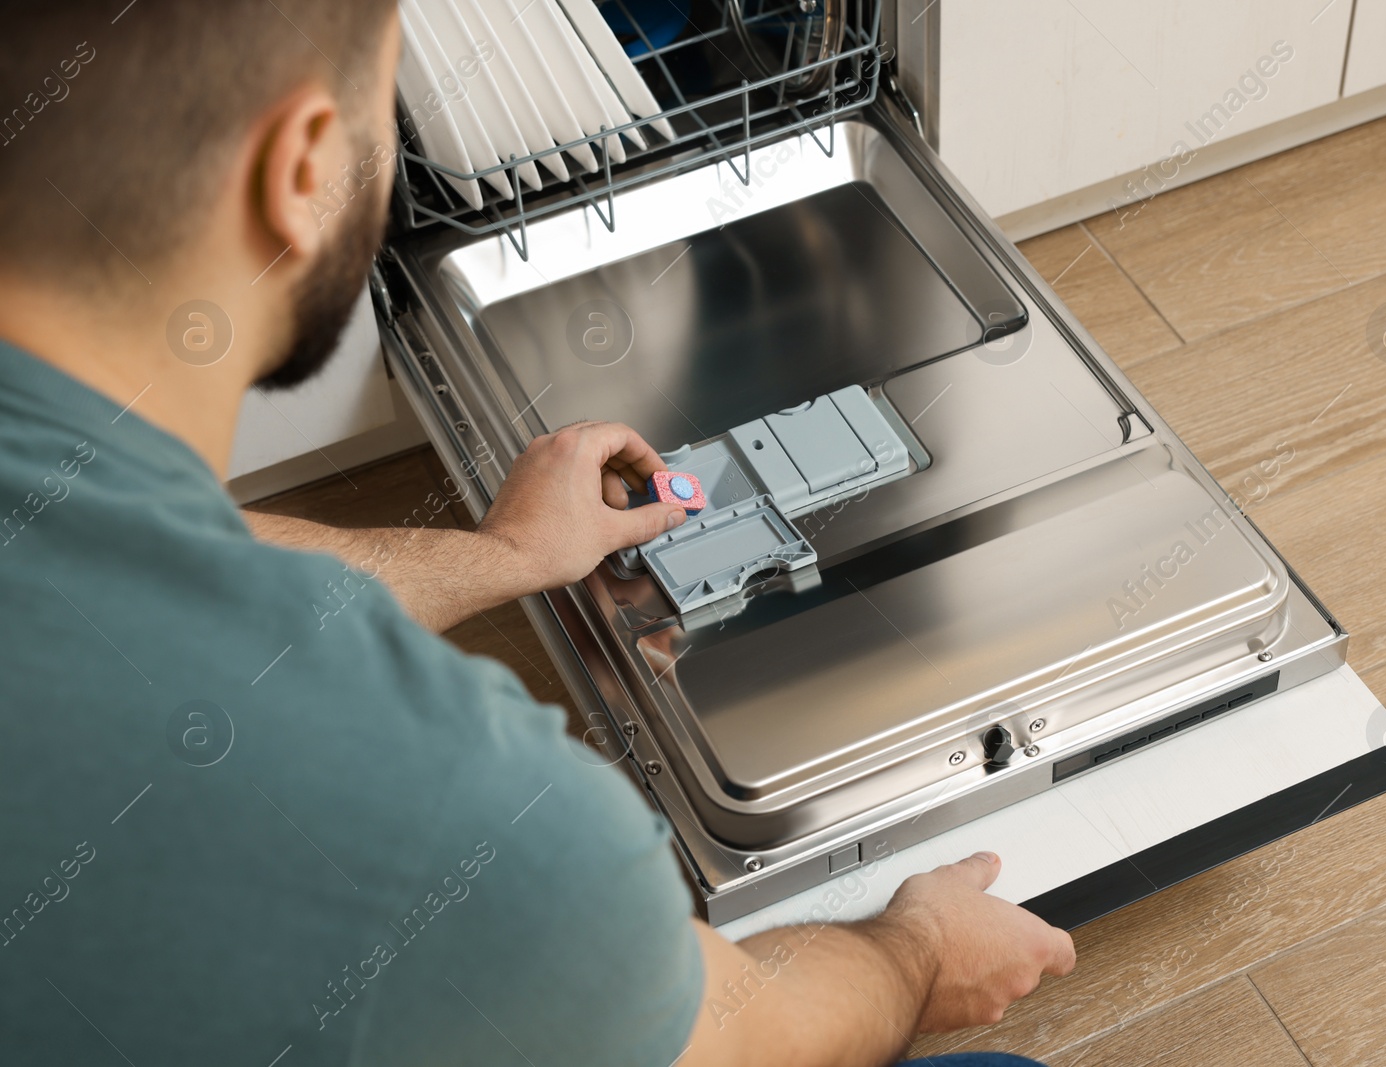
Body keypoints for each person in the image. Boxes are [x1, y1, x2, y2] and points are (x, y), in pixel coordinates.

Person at [0, 4, 1075, 1065]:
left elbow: (172, 549)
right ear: (301, 173)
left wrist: (504, 557)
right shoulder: (467, 822)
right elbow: (752, 1035)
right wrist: (920, 946)